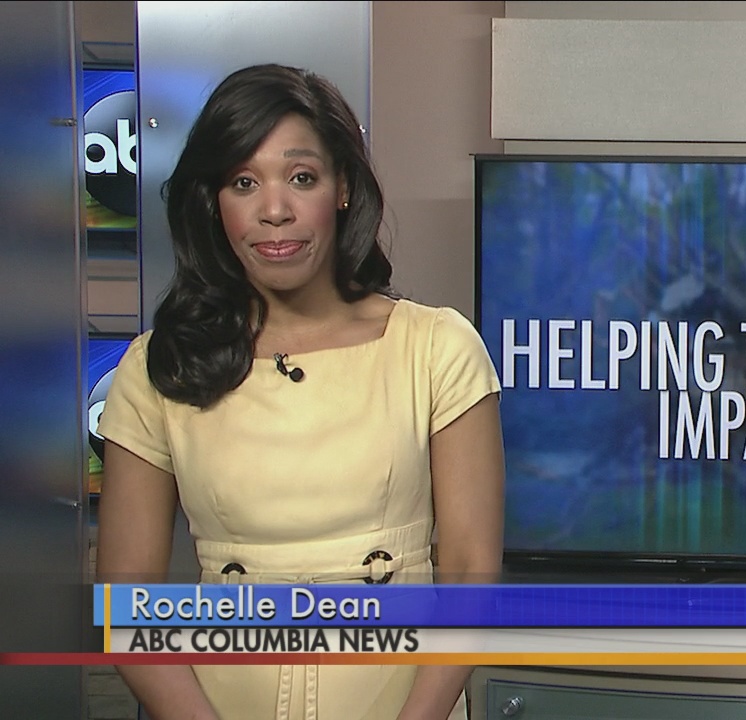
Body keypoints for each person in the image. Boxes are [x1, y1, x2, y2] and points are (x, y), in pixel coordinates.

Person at [95, 63, 504, 720]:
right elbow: (126, 599)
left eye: (302, 177)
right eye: (244, 182)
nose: (275, 210)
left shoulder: (437, 348)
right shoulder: (158, 367)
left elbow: (470, 572)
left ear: (342, 188)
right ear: (213, 202)